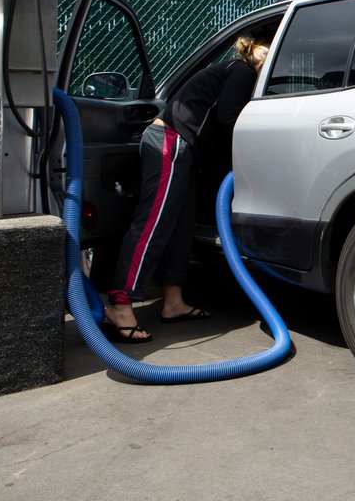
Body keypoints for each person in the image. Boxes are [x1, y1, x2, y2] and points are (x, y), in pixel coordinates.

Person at [102, 36, 270, 343]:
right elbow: (228, 119)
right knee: (153, 224)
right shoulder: (242, 72)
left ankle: (173, 301)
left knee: (181, 228)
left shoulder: (233, 71)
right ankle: (120, 303)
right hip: (170, 141)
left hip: (186, 151)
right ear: (262, 63)